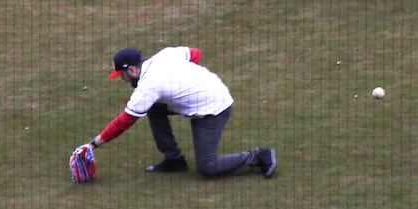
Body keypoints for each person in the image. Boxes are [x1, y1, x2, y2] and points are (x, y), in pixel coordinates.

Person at [73, 46, 277, 179]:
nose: (122, 79)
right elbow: (195, 53)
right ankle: (174, 160)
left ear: (133, 70)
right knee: (153, 107)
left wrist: (94, 143)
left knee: (208, 167)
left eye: (122, 75)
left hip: (214, 108)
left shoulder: (148, 87)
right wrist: (187, 82)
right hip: (211, 90)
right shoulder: (164, 55)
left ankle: (258, 156)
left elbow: (124, 121)